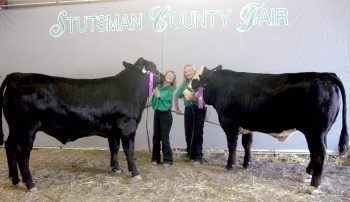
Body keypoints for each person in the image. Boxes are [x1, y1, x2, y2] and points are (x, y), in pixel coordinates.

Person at [174, 64, 206, 165]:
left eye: (190, 71)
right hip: (188, 109)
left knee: (198, 132)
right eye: (186, 71)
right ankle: (190, 153)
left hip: (199, 109)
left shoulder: (199, 83)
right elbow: (176, 96)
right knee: (188, 132)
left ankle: (198, 156)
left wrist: (194, 98)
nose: (188, 73)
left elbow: (201, 100)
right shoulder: (184, 85)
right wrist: (177, 109)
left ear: (194, 71)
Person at [148, 70, 176, 167]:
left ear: (172, 81)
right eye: (168, 75)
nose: (169, 77)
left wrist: (153, 83)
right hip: (157, 114)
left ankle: (168, 159)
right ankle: (155, 158)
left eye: (172, 77)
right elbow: (152, 102)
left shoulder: (169, 89)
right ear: (164, 76)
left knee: (164, 138)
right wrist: (140, 106)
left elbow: (158, 95)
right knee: (156, 137)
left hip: (165, 115)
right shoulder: (159, 87)